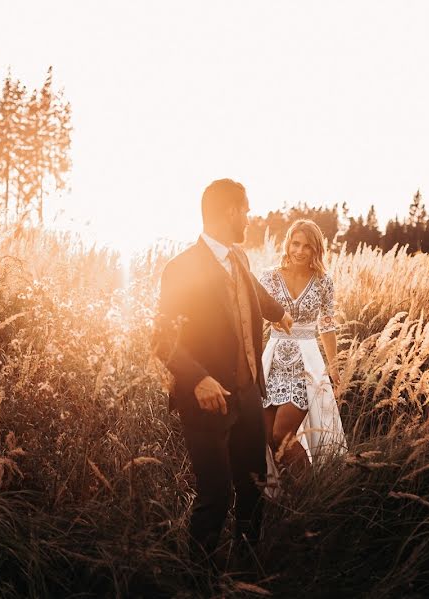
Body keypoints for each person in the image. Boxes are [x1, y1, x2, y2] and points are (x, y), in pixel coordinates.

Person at [153, 178, 294, 566]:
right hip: (206, 401)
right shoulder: (181, 267)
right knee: (215, 497)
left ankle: (246, 569)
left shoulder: (240, 259)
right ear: (229, 212)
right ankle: (197, 579)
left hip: (248, 396)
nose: (249, 218)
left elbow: (249, 291)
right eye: (246, 210)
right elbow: (162, 338)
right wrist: (197, 377)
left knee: (253, 489)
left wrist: (279, 313)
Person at [260, 219, 347, 477]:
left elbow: (327, 326)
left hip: (305, 363)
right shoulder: (270, 277)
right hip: (273, 360)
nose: (299, 251)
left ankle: (312, 488)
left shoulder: (323, 282)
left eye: (307, 246)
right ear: (287, 243)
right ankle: (290, 495)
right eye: (295, 244)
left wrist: (333, 366)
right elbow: (254, 317)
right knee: (267, 438)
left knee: (282, 434)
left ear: (315, 250)